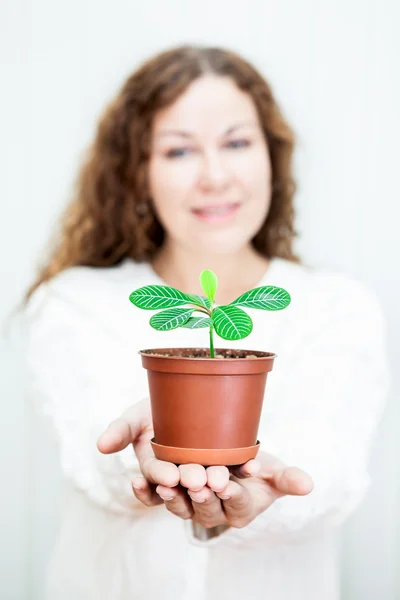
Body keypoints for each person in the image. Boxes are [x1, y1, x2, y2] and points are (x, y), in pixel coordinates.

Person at [21, 45, 389, 600]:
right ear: (137, 172)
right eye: (179, 151)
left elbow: (330, 464)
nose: (215, 176)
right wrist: (146, 455)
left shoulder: (337, 305)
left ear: (272, 157)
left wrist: (255, 483)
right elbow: (89, 450)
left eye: (237, 143)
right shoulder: (75, 302)